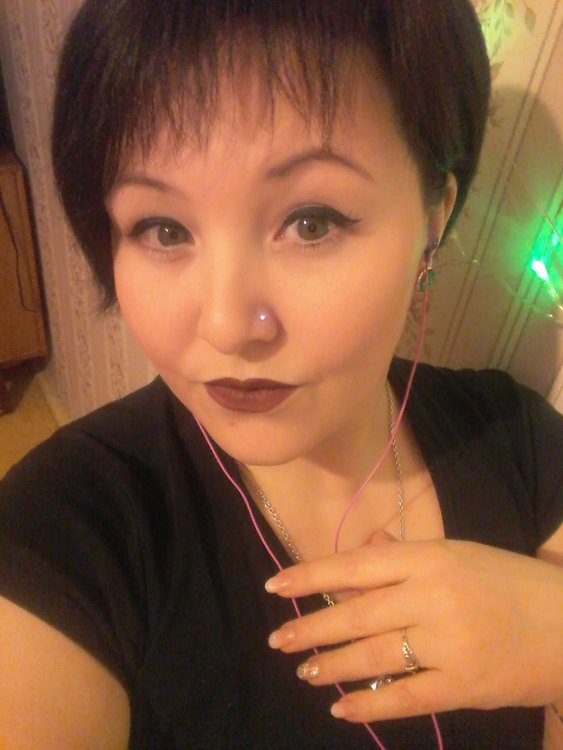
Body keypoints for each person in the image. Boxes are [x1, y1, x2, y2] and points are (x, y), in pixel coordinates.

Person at [0, 1, 561, 748]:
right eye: (163, 229)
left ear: (433, 218)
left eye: (310, 221)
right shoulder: (71, 528)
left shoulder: (518, 440)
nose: (227, 325)